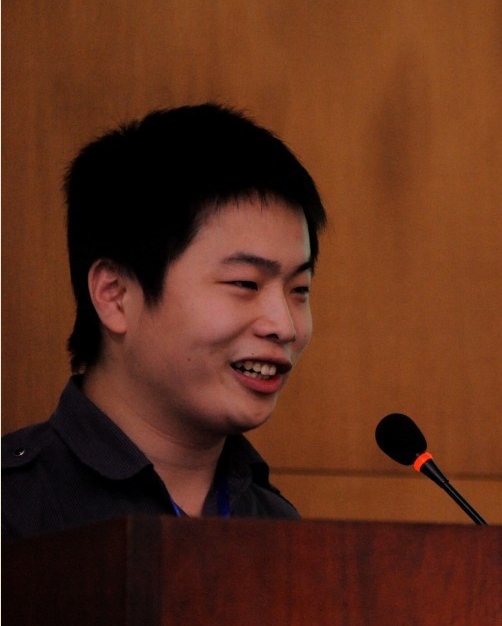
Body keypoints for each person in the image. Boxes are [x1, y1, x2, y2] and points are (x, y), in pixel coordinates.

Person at [2, 104, 327, 541]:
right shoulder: (15, 509)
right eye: (245, 283)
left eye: (299, 289)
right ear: (115, 294)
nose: (284, 326)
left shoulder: (278, 527)